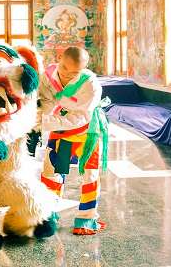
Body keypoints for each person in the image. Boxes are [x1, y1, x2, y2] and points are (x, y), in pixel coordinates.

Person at [39, 47, 109, 235]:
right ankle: (47, 214)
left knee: (89, 174)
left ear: (84, 67)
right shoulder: (47, 76)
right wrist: (44, 117)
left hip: (87, 132)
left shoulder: (91, 85)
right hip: (59, 129)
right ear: (59, 58)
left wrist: (45, 121)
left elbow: (82, 116)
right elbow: (45, 101)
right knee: (51, 171)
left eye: (75, 72)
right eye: (64, 68)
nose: (68, 75)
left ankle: (86, 219)